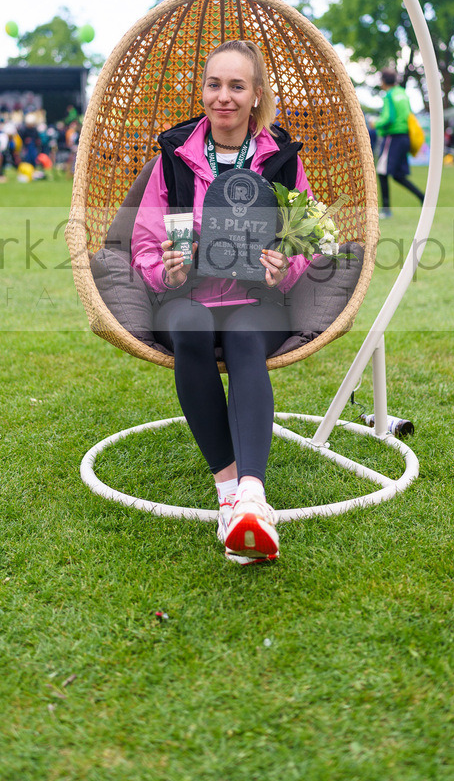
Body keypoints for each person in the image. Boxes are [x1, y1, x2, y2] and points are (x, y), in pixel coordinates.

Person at [131, 39, 314, 566]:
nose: (224, 97)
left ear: (256, 95)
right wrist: (162, 269)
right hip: (186, 296)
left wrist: (285, 266)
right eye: (214, 84)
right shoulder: (173, 158)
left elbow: (305, 238)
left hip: (258, 301)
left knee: (241, 337)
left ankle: (253, 494)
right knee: (189, 326)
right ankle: (229, 491)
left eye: (237, 86)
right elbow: (145, 242)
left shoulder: (281, 159)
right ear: (202, 89)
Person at [374, 69, 425, 217]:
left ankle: (386, 210)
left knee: (382, 173)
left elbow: (388, 118)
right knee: (398, 175)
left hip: (393, 137)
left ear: (383, 81)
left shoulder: (389, 95)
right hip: (405, 137)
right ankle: (423, 197)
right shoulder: (403, 93)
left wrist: (375, 123)